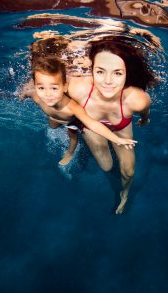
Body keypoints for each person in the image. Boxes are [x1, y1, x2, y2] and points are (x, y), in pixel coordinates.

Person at [67, 37, 157, 214]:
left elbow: (145, 113)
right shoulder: (77, 88)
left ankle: (124, 193)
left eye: (117, 73)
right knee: (107, 166)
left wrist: (145, 120)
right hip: (91, 125)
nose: (108, 81)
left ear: (127, 73)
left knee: (129, 171)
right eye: (100, 71)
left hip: (120, 126)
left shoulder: (137, 99)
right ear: (91, 70)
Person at [28, 56, 137, 165]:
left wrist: (116, 139)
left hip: (70, 120)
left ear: (65, 87)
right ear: (35, 86)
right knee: (53, 125)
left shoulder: (72, 107)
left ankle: (70, 153)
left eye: (54, 88)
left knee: (73, 137)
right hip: (53, 116)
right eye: (41, 88)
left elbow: (92, 124)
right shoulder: (36, 96)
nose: (48, 94)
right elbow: (23, 92)